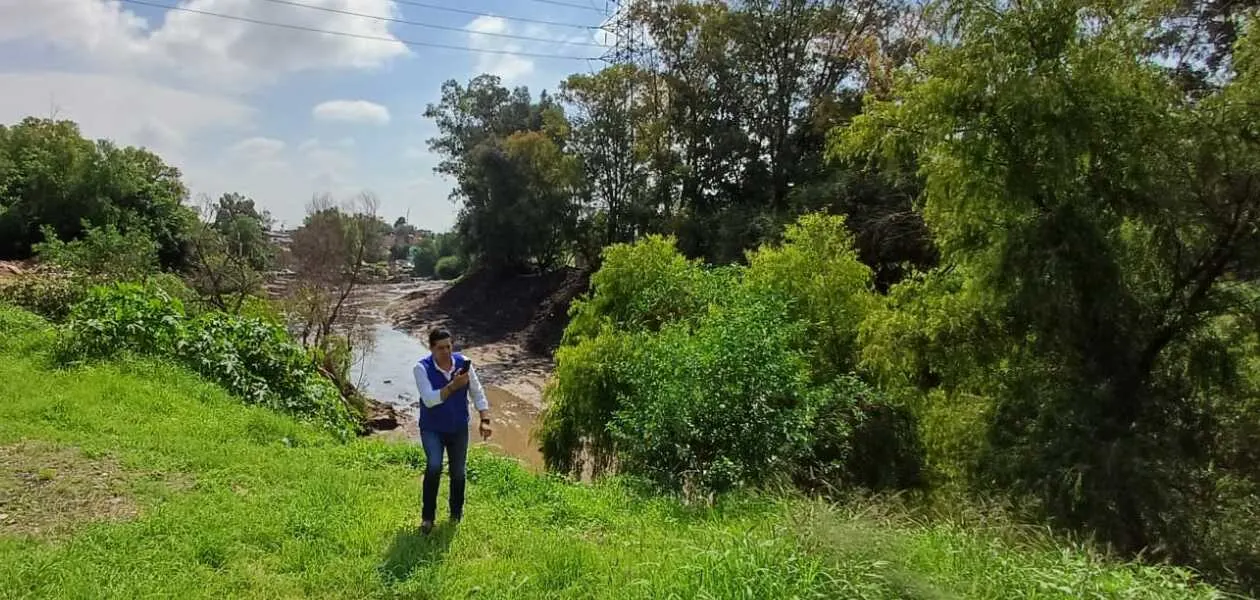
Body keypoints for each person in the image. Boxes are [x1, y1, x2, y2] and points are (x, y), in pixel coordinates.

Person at [412, 328, 492, 534]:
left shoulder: (464, 362)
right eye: (440, 348)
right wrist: (453, 386)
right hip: (432, 429)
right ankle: (428, 518)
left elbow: (477, 391)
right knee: (434, 466)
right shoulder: (421, 368)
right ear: (431, 349)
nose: (446, 352)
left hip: (458, 428)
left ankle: (456, 515)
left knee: (458, 473)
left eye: (448, 346)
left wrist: (485, 419)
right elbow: (429, 400)